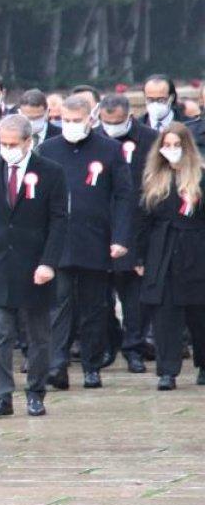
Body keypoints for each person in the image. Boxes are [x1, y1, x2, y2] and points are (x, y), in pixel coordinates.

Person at [0, 114, 68, 418]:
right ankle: (1, 395)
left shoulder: (51, 172)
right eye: (3, 143)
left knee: (39, 336)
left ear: (28, 141)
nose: (7, 149)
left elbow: (59, 221)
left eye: (13, 144)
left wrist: (49, 263)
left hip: (36, 266)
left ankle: (36, 392)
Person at [41, 95, 133, 390]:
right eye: (65, 120)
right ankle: (57, 363)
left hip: (96, 239)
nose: (70, 125)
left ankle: (92, 365)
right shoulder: (48, 149)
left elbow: (123, 196)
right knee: (59, 304)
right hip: (59, 241)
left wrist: (120, 237)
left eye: (76, 121)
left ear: (90, 120)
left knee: (94, 306)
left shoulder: (110, 149)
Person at [135, 123, 205, 390]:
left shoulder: (200, 176)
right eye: (167, 145)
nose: (172, 150)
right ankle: (167, 371)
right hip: (161, 251)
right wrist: (139, 257)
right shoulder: (154, 178)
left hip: (195, 250)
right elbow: (143, 220)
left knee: (198, 313)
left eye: (177, 145)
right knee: (165, 314)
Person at [97, 94, 158, 373]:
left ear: (129, 116)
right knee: (100, 297)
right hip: (99, 227)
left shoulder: (150, 139)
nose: (111, 127)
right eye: (107, 122)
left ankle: (134, 347)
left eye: (118, 122)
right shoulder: (93, 139)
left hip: (137, 225)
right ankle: (110, 341)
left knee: (134, 299)